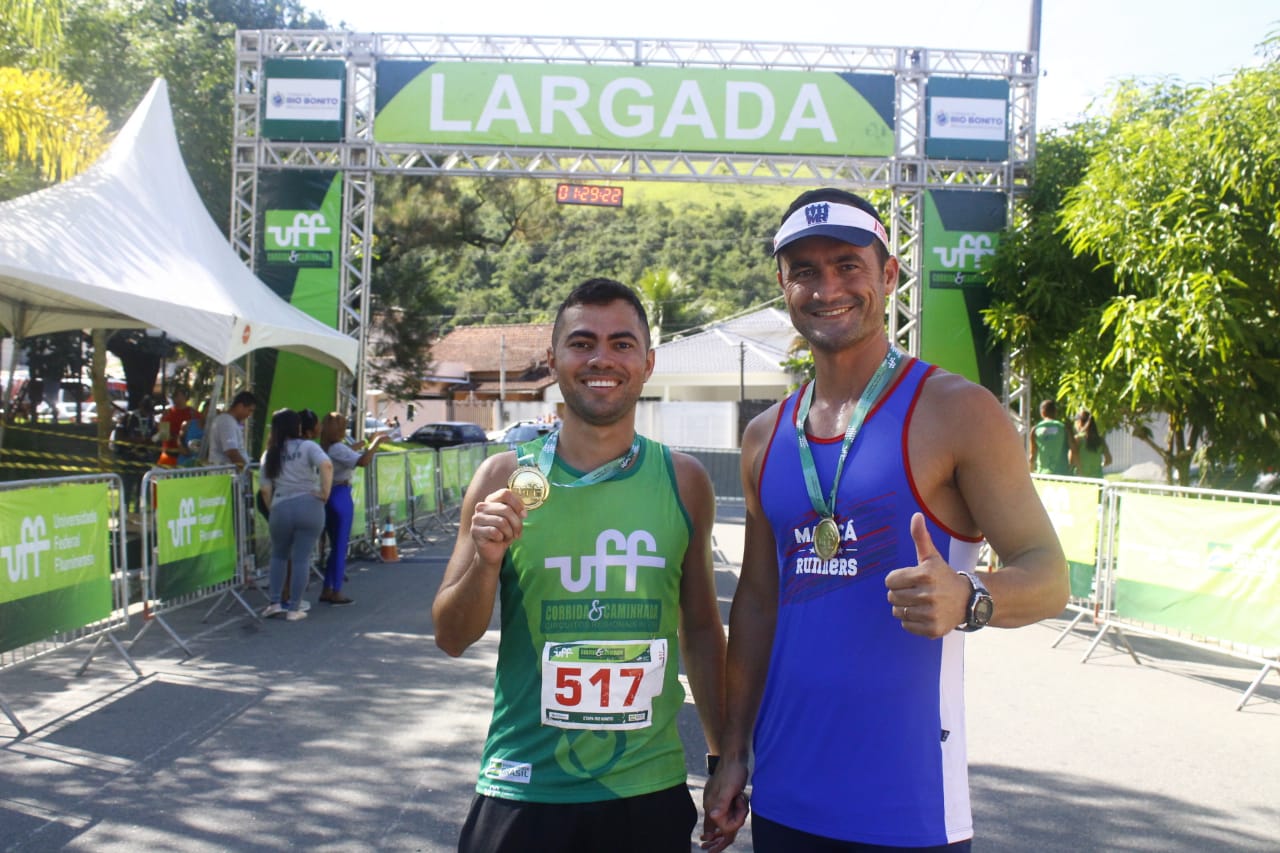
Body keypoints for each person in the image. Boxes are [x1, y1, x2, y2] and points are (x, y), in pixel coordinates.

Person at [703, 188, 1069, 851]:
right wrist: (731, 751)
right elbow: (757, 603)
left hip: (907, 806)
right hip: (784, 793)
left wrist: (971, 597)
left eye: (848, 265)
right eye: (805, 271)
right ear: (783, 284)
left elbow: (1049, 574)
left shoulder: (959, 410)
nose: (827, 287)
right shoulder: (765, 434)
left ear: (889, 275)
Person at [432, 278, 729, 853]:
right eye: (581, 342)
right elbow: (450, 635)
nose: (601, 358)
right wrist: (486, 563)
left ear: (647, 363)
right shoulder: (503, 478)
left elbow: (698, 627)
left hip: (647, 790)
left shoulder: (684, 480)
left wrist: (721, 756)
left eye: (621, 344)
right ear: (553, 361)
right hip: (524, 786)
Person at [258, 408, 332, 622]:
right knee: (301, 558)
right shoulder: (308, 446)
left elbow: (264, 488)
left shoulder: (270, 453)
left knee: (278, 556)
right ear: (297, 427)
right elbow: (326, 465)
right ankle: (294, 607)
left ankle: (274, 602)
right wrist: (324, 492)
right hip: (309, 504)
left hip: (281, 506)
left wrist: (273, 508)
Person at [319, 412, 388, 605]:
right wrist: (376, 444)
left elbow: (348, 453)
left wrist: (362, 444)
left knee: (333, 546)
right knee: (340, 545)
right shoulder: (338, 448)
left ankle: (327, 587)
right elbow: (363, 461)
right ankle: (337, 591)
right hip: (340, 494)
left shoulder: (326, 447)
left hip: (329, 495)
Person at [207, 390, 257, 473]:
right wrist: (247, 471)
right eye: (249, 410)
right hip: (226, 477)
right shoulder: (226, 422)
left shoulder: (229, 421)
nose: (249, 415)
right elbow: (232, 452)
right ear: (240, 406)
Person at [1028, 399, 1074, 476]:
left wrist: (1030, 473)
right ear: (1055, 412)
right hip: (1062, 475)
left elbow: (1032, 456)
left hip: (1042, 474)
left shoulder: (1035, 429)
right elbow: (1073, 449)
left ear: (1042, 412)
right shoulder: (1063, 428)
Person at [156, 385, 197, 468]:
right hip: (169, 457)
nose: (174, 397)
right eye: (173, 395)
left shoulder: (194, 414)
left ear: (185, 396)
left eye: (177, 394)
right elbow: (164, 436)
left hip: (188, 458)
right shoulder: (167, 414)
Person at [1070, 409, 1112, 478]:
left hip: (1081, 479)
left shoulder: (1078, 439)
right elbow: (1109, 460)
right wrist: (1100, 465)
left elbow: (1071, 460)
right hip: (1098, 478)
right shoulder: (1100, 440)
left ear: (1079, 422)